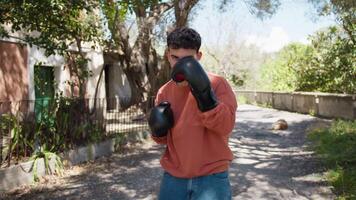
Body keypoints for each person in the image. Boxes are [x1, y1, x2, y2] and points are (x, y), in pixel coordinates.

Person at [148, 27, 237, 200]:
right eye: (175, 58)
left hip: (212, 177)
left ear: (198, 56)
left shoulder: (218, 84)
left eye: (187, 59)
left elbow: (226, 126)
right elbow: (163, 140)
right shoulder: (164, 92)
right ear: (168, 56)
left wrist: (205, 95)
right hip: (174, 176)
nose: (180, 66)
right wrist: (157, 130)